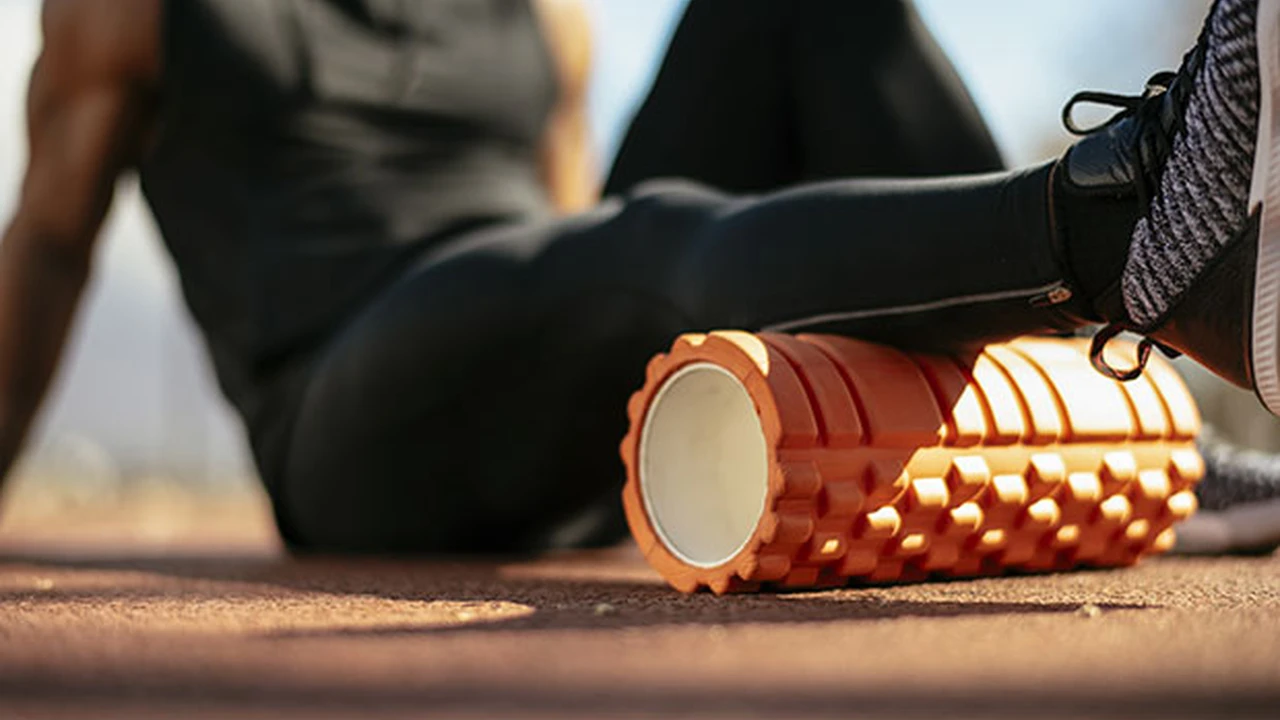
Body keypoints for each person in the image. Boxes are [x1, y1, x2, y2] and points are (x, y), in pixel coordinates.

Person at [0, 0, 1276, 555]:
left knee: (793, 14)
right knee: (643, 253)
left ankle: (1100, 440)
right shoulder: (127, 14)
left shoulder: (538, 18)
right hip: (351, 420)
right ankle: (1127, 231)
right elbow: (51, 242)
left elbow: (560, 230)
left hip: (542, 344)